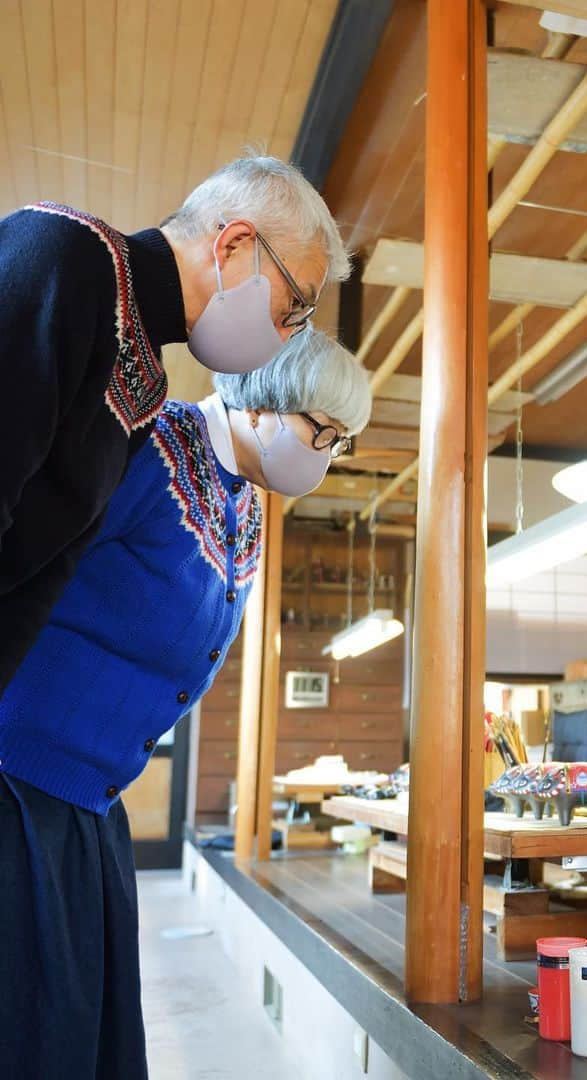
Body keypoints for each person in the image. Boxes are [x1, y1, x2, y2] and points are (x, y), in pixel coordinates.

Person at [0, 329, 370, 1079]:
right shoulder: (152, 446)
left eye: (340, 441)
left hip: (92, 798)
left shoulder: (249, 504)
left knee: (86, 1030)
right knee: (35, 1025)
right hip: (21, 776)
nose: (327, 453)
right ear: (264, 404)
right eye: (320, 430)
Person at [0, 153, 350, 691]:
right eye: (294, 306)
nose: (286, 334)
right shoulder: (64, 254)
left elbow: (46, 572)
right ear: (234, 244)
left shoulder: (149, 382)